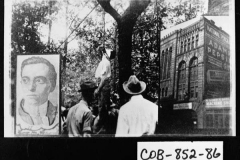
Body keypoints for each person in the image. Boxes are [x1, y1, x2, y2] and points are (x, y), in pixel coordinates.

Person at [18, 56, 58, 126]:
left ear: (52, 85)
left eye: (39, 81)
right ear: (21, 83)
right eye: (25, 80)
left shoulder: (60, 115)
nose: (31, 88)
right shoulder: (10, 116)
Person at [93, 47, 112, 134]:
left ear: (104, 53)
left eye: (101, 53)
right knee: (101, 108)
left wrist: (98, 89)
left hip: (103, 87)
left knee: (103, 108)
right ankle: (102, 127)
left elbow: (104, 78)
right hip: (101, 86)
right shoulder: (103, 62)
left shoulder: (106, 62)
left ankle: (104, 129)